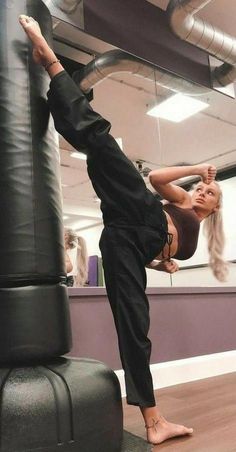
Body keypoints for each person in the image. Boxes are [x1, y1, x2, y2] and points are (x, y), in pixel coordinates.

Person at [19, 15, 228, 445]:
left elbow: (157, 253)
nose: (204, 193)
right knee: (105, 146)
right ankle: (53, 66)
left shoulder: (188, 243)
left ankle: (154, 422)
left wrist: (160, 259)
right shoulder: (183, 201)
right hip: (141, 211)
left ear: (216, 210)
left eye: (211, 194)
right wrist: (195, 171)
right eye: (204, 189)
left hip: (124, 244)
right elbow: (155, 180)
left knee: (134, 328)